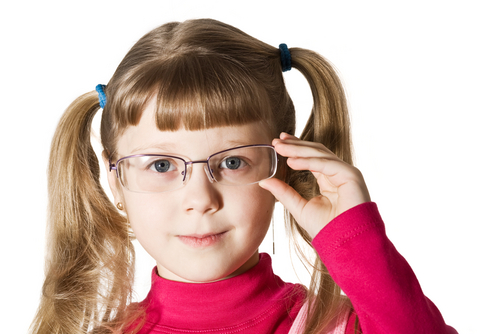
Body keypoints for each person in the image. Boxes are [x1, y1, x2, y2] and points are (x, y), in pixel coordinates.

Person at [29, 19, 457, 334]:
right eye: (161, 165)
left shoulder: (334, 328)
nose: (200, 198)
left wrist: (355, 241)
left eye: (232, 163)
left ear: (282, 164)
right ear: (116, 179)